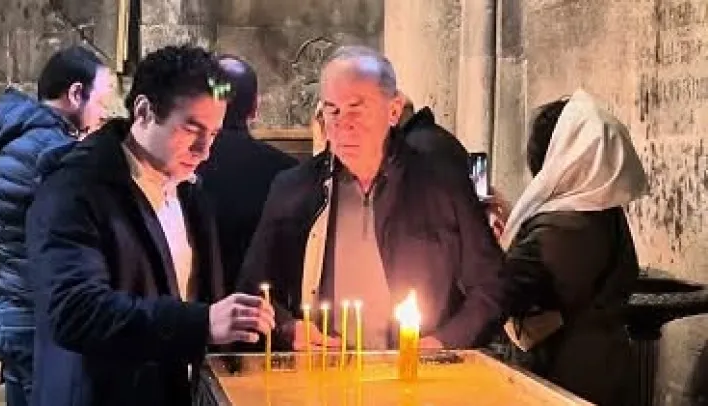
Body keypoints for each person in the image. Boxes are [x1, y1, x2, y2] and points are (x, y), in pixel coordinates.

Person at [25, 45, 274, 406]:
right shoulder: (74, 189)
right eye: (191, 128)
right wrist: (202, 323)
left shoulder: (189, 189)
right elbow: (74, 311)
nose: (204, 150)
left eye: (213, 134)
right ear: (143, 111)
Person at [237, 45, 505, 352]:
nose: (342, 124)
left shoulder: (440, 183)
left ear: (393, 110)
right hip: (323, 368)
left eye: (355, 108)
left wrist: (442, 343)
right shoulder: (294, 187)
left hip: (415, 371)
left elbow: (492, 287)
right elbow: (253, 288)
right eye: (332, 110)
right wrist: (287, 328)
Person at [0, 46, 114, 406]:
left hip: (10, 306)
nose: (103, 114)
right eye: (102, 102)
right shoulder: (53, 151)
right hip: (34, 310)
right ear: (75, 93)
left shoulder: (18, 139)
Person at [498, 89, 646, 405]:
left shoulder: (565, 227)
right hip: (606, 366)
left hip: (565, 378)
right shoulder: (603, 214)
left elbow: (504, 292)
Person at [197, 55, 297, 293]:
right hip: (260, 303)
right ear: (255, 107)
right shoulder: (287, 171)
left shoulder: (181, 163)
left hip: (185, 304)